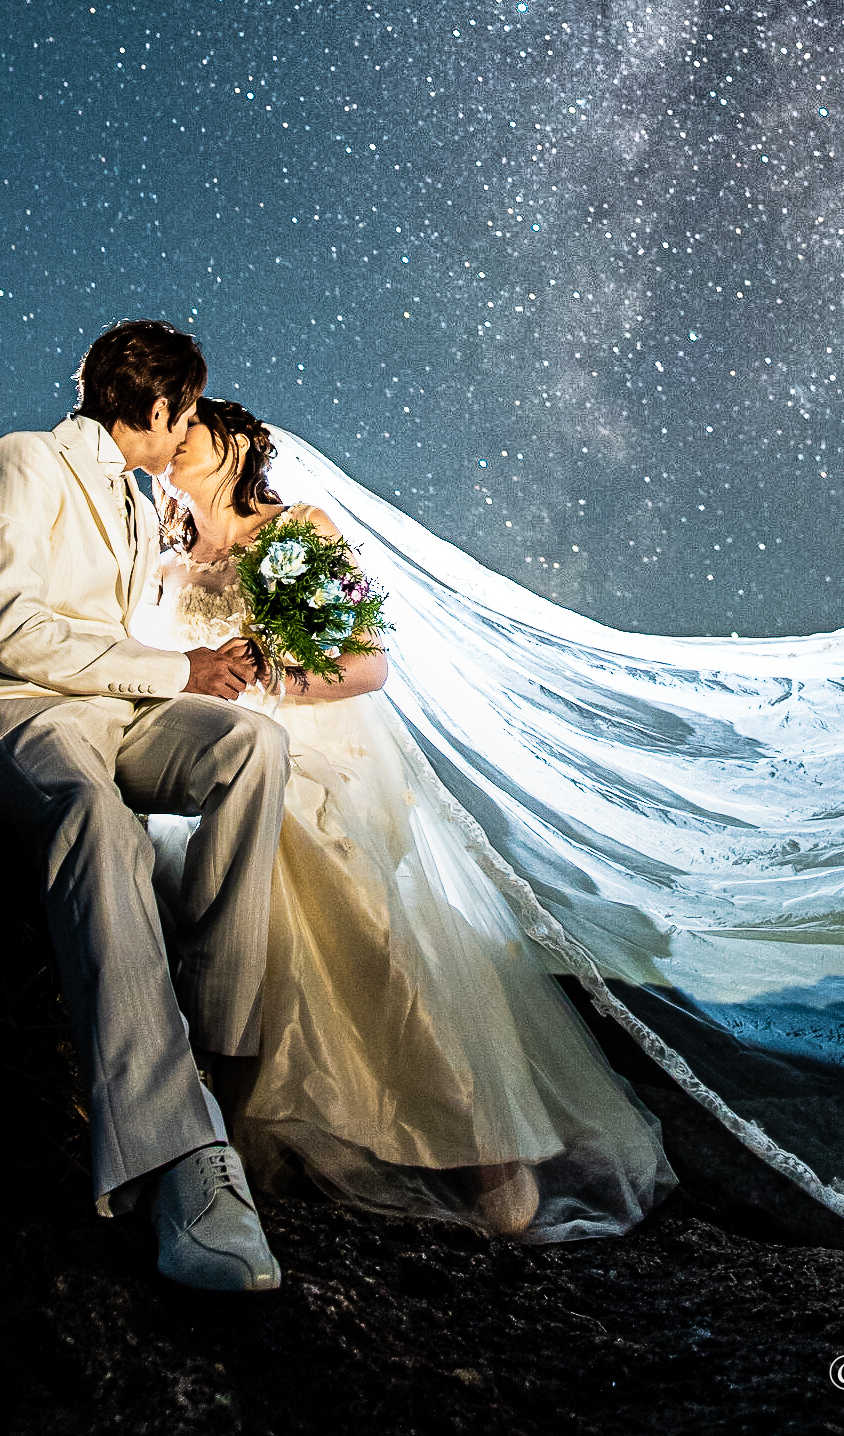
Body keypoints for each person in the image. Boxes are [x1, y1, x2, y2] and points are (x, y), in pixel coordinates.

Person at [135, 397, 675, 1242]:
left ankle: (478, 1144)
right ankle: (282, 1122)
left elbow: (367, 662)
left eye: (192, 432)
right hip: (217, 746)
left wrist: (267, 683)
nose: (171, 446)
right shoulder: (162, 551)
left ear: (238, 445)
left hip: (320, 747)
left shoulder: (296, 531)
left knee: (295, 841)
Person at [0, 322, 289, 1293]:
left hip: (109, 709)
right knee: (96, 816)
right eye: (186, 413)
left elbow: (136, 614)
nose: (189, 429)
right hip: (17, 711)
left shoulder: (143, 495)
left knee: (251, 747)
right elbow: (16, 630)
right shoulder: (19, 462)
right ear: (156, 408)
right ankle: (173, 1160)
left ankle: (212, 1054)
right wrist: (181, 668)